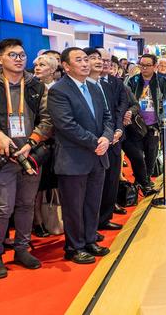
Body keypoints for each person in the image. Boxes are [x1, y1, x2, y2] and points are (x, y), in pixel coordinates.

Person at [0, 39, 53, 278]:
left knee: (26, 205)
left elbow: (47, 119)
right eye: (13, 55)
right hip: (1, 156)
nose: (19, 59)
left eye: (22, 54)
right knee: (3, 208)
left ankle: (22, 249)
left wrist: (32, 141)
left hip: (30, 155)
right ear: (0, 58)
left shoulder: (36, 85)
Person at [48, 47, 113, 264]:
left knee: (92, 202)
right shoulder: (59, 90)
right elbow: (66, 125)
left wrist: (106, 136)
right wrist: (95, 142)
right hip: (73, 158)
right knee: (73, 206)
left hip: (98, 156)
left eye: (86, 59)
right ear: (66, 66)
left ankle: (90, 239)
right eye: (79, 60)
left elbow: (107, 116)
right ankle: (74, 247)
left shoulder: (93, 88)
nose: (86, 63)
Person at [88, 48, 129, 230]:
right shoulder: (87, 85)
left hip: (113, 138)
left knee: (112, 179)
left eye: (105, 60)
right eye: (97, 59)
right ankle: (92, 224)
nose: (102, 63)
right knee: (95, 185)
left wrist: (117, 129)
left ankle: (104, 218)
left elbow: (118, 109)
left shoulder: (111, 84)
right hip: (93, 142)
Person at [124, 54, 166, 188]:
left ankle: (146, 179)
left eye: (147, 65)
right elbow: (123, 97)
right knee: (137, 156)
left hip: (154, 124)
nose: (144, 68)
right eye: (141, 65)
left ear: (154, 66)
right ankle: (141, 181)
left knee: (151, 155)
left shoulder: (161, 81)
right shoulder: (133, 80)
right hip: (135, 124)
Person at [31, 54, 59, 237]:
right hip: (36, 142)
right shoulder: (31, 88)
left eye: (42, 65)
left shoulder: (59, 89)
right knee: (36, 186)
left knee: (50, 183)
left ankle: (51, 219)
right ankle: (37, 220)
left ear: (53, 69)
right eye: (36, 65)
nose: (37, 68)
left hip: (56, 143)